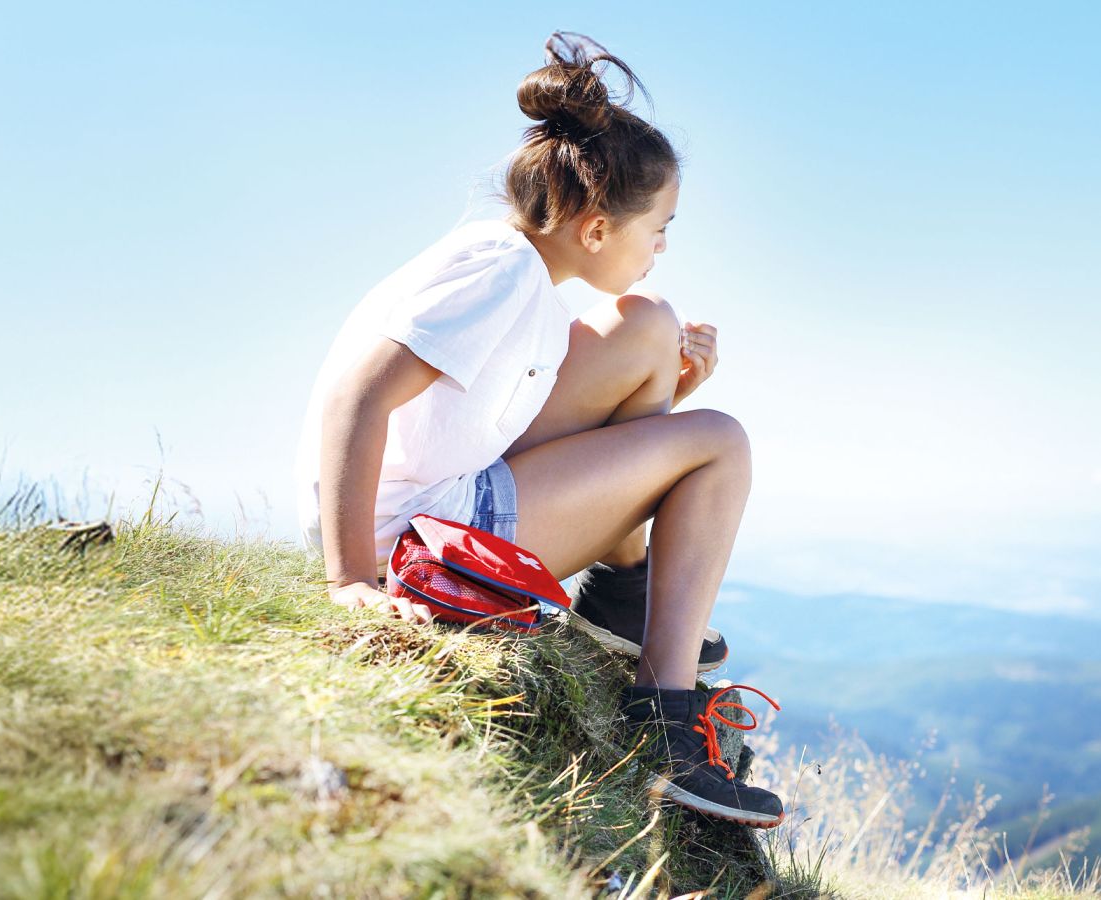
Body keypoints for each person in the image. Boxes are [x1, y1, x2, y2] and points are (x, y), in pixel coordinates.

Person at [293, 31, 784, 827]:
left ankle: (626, 594)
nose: (663, 245)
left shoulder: (513, 267)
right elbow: (357, 396)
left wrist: (665, 393)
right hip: (419, 540)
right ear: (596, 231)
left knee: (647, 325)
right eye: (659, 227)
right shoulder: (501, 275)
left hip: (440, 499)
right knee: (721, 440)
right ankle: (663, 720)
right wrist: (351, 577)